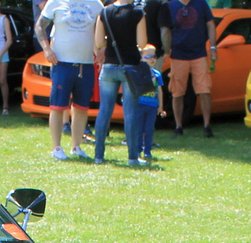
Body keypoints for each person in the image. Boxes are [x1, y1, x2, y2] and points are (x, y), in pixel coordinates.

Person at [38, 0, 103, 159]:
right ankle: (57, 148)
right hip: (62, 63)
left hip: (86, 63)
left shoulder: (96, 4)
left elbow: (104, 28)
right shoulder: (56, 2)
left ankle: (76, 146)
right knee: (58, 106)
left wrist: (102, 49)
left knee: (81, 107)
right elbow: (40, 26)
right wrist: (46, 48)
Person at [92, 0, 147, 163]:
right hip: (130, 65)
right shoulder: (138, 12)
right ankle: (132, 157)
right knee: (130, 113)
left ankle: (98, 156)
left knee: (104, 111)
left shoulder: (105, 12)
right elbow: (142, 43)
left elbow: (99, 42)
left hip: (109, 66)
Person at [160, 0, 215, 136]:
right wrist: (166, 50)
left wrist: (213, 47)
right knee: (177, 92)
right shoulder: (170, 6)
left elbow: (210, 24)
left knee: (204, 90)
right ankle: (179, 126)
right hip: (178, 54)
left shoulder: (201, 3)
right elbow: (165, 29)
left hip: (199, 53)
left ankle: (207, 126)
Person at [133, 42, 164, 163]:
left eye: (154, 56)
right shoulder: (138, 73)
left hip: (152, 105)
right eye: (148, 56)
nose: (152, 59)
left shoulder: (157, 74)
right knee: (139, 129)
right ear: (141, 58)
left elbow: (159, 90)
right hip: (140, 104)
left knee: (149, 128)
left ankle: (148, 150)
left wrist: (160, 106)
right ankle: (138, 150)